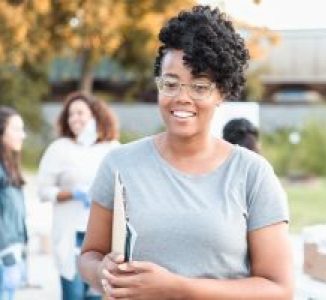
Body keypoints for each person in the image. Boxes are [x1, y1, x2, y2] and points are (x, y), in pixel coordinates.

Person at [79, 5, 293, 299]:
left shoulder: (252, 174)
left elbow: (279, 289)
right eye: (170, 83)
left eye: (200, 86)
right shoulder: (119, 164)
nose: (182, 97)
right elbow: (89, 255)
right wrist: (101, 270)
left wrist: (177, 288)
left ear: (222, 92)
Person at [37, 92, 119, 300]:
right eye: (71, 114)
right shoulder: (59, 149)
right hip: (71, 235)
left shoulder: (112, 149)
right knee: (73, 293)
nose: (75, 118)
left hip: (102, 235)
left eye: (80, 113)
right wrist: (71, 193)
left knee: (96, 294)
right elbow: (43, 190)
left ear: (95, 115)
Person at [0, 106, 27, 300]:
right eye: (16, 129)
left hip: (12, 251)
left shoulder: (9, 166)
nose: (22, 135)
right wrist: (8, 255)